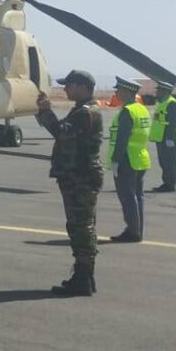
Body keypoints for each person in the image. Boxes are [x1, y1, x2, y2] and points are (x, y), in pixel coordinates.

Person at [35, 69, 104, 296]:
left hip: (80, 177)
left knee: (81, 227)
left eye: (69, 85)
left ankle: (83, 278)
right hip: (79, 175)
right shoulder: (82, 111)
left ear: (82, 87)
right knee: (81, 226)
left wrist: (46, 112)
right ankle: (85, 277)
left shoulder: (85, 113)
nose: (65, 89)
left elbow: (61, 132)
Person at [106, 76, 152, 243]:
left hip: (127, 159)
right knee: (137, 197)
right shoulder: (142, 109)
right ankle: (137, 230)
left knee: (127, 197)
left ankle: (132, 231)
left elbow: (122, 139)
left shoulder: (127, 112)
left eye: (118, 90)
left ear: (126, 91)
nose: (116, 93)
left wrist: (115, 160)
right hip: (140, 158)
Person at [148, 80, 176, 193]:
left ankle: (170, 185)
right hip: (160, 138)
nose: (157, 92)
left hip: (168, 138)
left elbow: (172, 123)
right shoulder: (162, 102)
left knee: (169, 163)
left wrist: (169, 138)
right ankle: (166, 183)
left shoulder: (172, 103)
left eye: (159, 90)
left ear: (166, 91)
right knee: (163, 162)